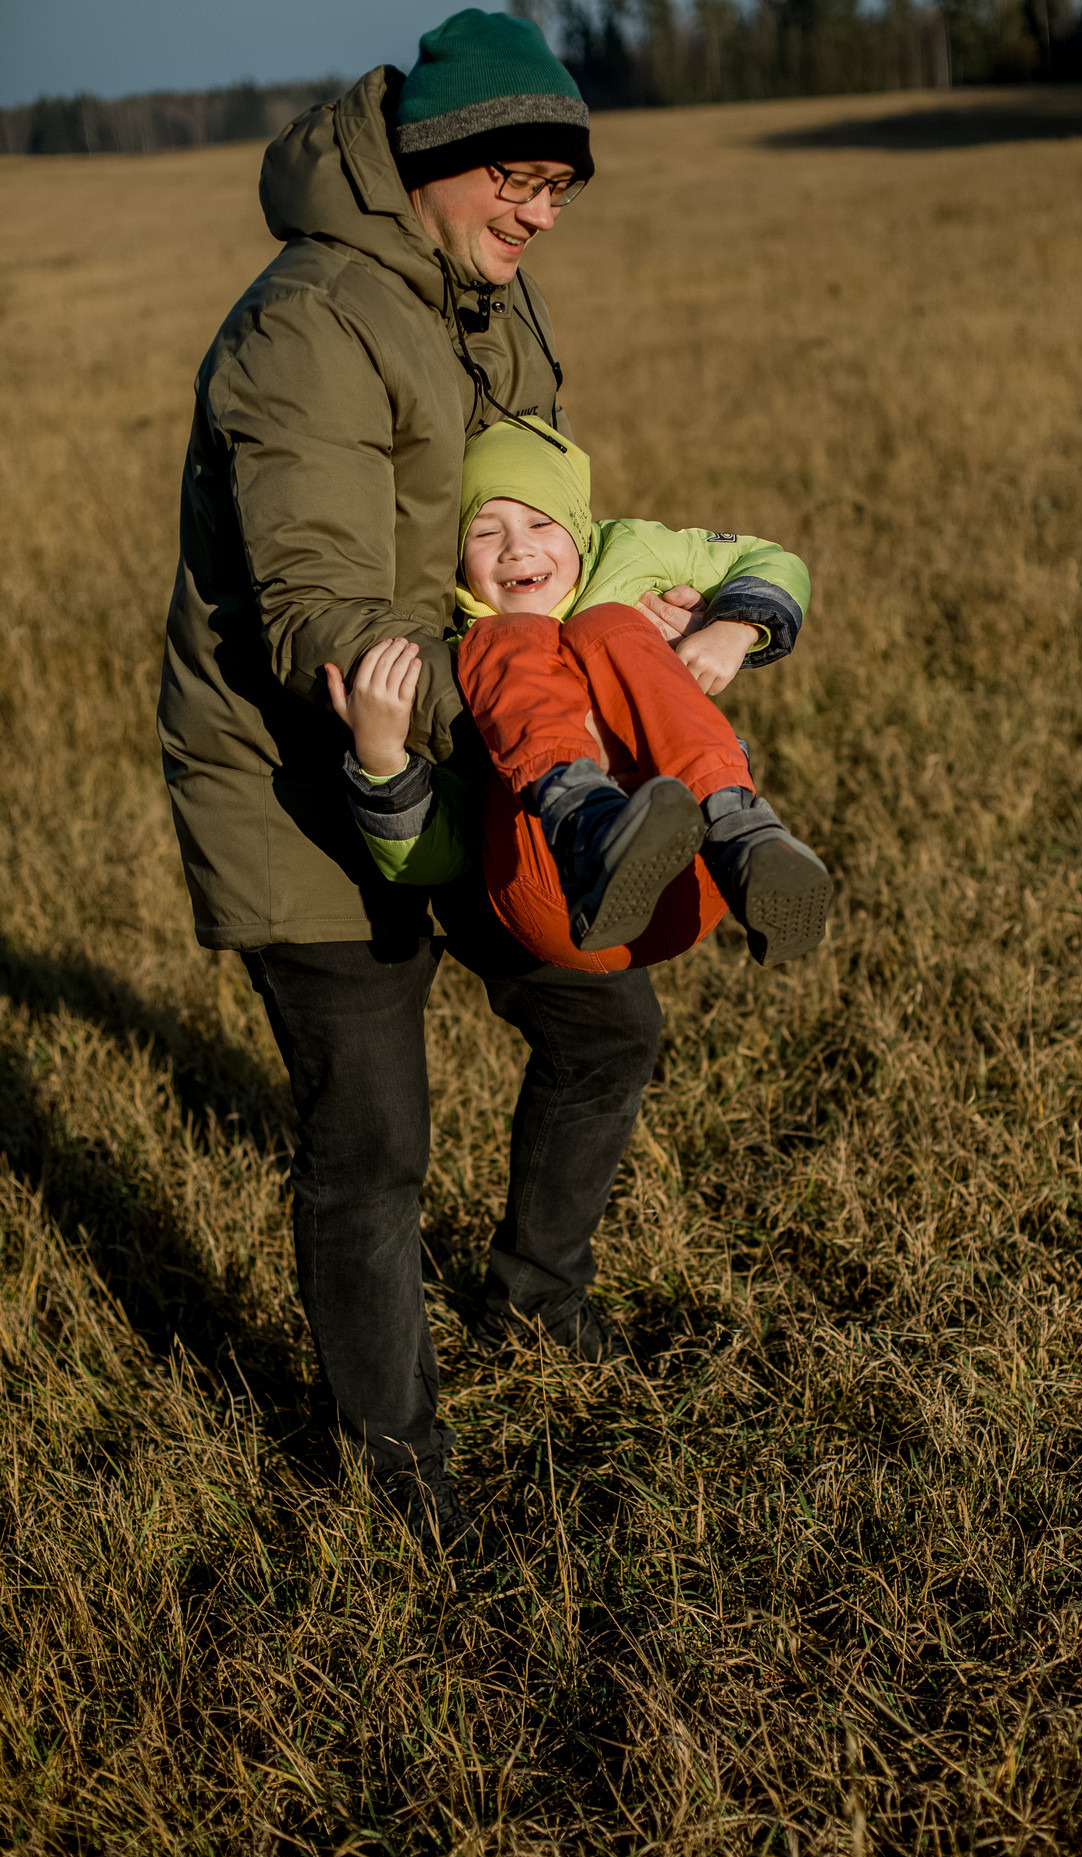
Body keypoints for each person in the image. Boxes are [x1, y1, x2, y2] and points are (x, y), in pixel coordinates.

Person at [156, 10, 703, 1558]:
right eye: (518, 178)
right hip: (297, 778)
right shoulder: (308, 324)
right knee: (372, 1140)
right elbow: (317, 609)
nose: (540, 211)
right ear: (430, 164)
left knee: (603, 1018)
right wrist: (510, 705)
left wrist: (625, 621)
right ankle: (393, 1464)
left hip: (473, 742)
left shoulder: (491, 303)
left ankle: (536, 1296)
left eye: (560, 187)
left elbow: (531, 524)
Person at [327, 419, 832, 973]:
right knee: (507, 638)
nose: (517, 550)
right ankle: (588, 828)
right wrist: (382, 763)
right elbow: (431, 862)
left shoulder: (630, 551)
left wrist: (732, 629)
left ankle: (744, 834)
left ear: (579, 527)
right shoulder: (461, 650)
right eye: (485, 532)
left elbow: (774, 559)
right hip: (556, 893)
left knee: (605, 624)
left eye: (541, 522)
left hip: (699, 871)